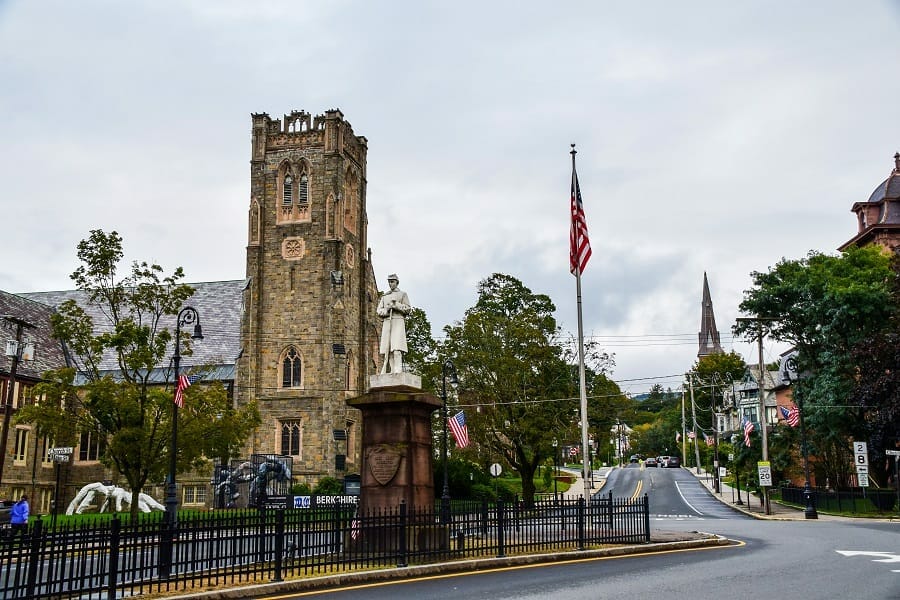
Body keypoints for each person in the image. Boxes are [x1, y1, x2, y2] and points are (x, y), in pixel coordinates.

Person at [376, 274, 411, 374]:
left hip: (398, 321)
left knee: (396, 348)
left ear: (397, 282)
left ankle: (398, 370)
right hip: (387, 322)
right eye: (389, 282)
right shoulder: (385, 297)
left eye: (393, 281)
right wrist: (387, 309)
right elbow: (379, 311)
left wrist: (396, 305)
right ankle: (392, 370)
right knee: (389, 350)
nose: (391, 284)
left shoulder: (402, 294)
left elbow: (408, 308)